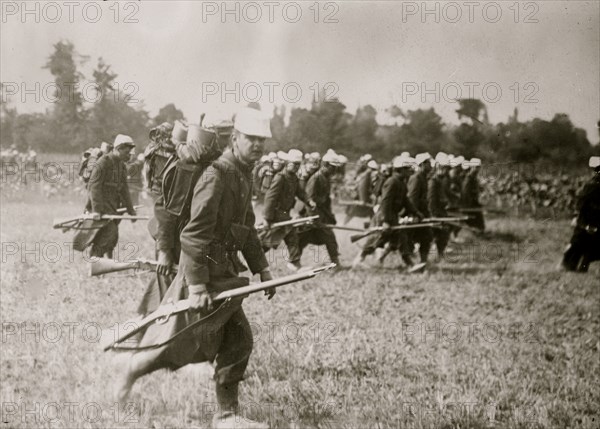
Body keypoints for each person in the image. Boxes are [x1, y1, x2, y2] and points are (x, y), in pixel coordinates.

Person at [114, 108, 274, 429]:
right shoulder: (217, 175)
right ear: (235, 139)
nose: (257, 145)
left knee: (236, 340)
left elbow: (247, 227)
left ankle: (226, 415)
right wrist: (198, 285)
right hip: (205, 272)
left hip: (225, 273)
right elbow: (193, 234)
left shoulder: (243, 174)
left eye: (262, 140)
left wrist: (263, 269)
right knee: (184, 343)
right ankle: (132, 368)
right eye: (251, 139)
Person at [352, 156, 424, 271]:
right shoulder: (392, 182)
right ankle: (359, 260)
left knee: (401, 239)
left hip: (392, 216)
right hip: (383, 216)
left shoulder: (401, 183)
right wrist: (385, 221)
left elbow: (406, 201)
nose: (410, 171)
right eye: (408, 169)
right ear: (401, 169)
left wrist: (416, 212)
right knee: (377, 239)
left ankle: (409, 265)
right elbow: (386, 202)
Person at [259, 149, 315, 272]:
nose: (296, 167)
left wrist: (309, 201)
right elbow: (270, 197)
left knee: (291, 237)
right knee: (268, 241)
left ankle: (294, 263)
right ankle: (253, 259)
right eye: (294, 164)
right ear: (287, 162)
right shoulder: (280, 177)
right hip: (275, 213)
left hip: (284, 213)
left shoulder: (293, 178)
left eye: (298, 165)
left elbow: (300, 192)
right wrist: (267, 217)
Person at [87, 135, 136, 258]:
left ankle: (99, 265)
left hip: (113, 208)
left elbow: (125, 190)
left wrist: (131, 211)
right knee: (109, 234)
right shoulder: (103, 162)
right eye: (126, 152)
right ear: (118, 148)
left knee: (110, 238)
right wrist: (97, 210)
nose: (129, 155)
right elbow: (94, 187)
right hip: (100, 208)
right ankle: (95, 263)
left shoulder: (121, 166)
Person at [297, 150, 343, 268]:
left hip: (320, 214)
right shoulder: (316, 178)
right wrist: (314, 218)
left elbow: (326, 201)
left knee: (329, 238)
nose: (334, 171)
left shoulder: (325, 178)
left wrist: (330, 217)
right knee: (301, 239)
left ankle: (335, 263)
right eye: (333, 167)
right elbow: (309, 200)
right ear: (326, 165)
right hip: (310, 215)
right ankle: (294, 263)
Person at [561, 156, 600, 272]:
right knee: (580, 242)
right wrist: (578, 215)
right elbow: (582, 201)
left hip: (593, 216)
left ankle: (579, 266)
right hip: (588, 216)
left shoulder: (592, 184)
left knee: (588, 243)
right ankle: (570, 265)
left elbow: (581, 200)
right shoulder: (592, 185)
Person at [407, 153, 433, 263]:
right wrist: (416, 214)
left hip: (422, 213)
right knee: (405, 239)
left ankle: (423, 261)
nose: (431, 166)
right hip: (416, 214)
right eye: (429, 163)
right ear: (422, 164)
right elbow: (412, 199)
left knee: (426, 237)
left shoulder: (423, 178)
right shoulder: (416, 178)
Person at [428, 153, 452, 258]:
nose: (447, 171)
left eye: (447, 168)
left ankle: (440, 253)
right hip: (435, 213)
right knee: (433, 235)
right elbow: (431, 200)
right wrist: (434, 214)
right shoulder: (433, 181)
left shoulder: (440, 180)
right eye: (445, 168)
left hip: (441, 211)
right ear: (438, 167)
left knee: (444, 234)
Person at [461, 158, 485, 232]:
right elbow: (465, 194)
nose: (478, 169)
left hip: (474, 203)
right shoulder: (468, 179)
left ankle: (478, 231)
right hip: (469, 205)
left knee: (480, 223)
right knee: (476, 221)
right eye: (476, 167)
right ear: (472, 167)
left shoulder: (474, 178)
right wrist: (471, 204)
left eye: (479, 167)